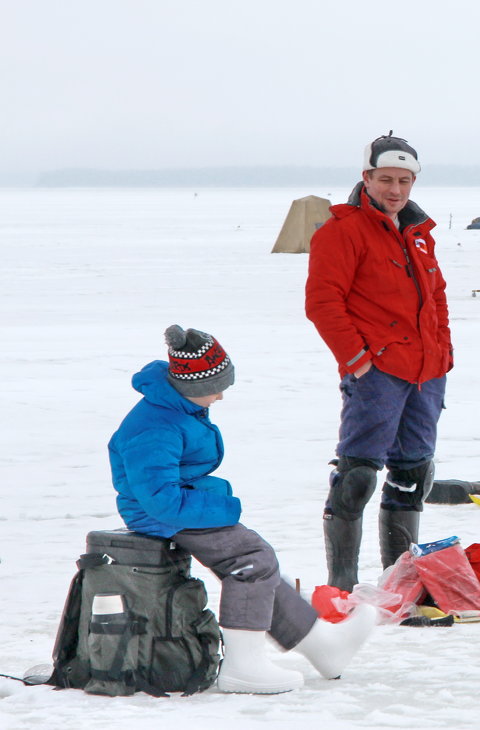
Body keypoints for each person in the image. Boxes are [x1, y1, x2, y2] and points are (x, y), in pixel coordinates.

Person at [108, 326, 376, 694]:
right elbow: (161, 499)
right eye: (215, 388)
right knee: (251, 561)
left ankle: (323, 646)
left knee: (258, 561)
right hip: (159, 513)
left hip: (178, 501)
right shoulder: (156, 426)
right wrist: (222, 508)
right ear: (190, 387)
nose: (220, 395)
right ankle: (243, 667)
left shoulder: (176, 405)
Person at [306, 133, 452, 591]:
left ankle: (400, 582)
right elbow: (323, 303)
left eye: (404, 181)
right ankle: (343, 586)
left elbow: (437, 298)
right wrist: (359, 360)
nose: (395, 190)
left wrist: (443, 354)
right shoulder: (341, 232)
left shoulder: (420, 235)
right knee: (357, 478)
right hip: (378, 373)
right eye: (386, 179)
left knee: (412, 475)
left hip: (426, 373)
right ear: (366, 178)